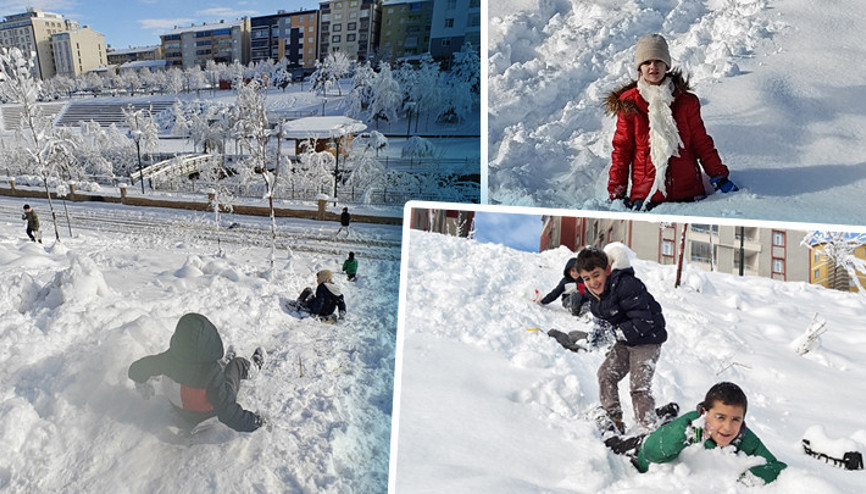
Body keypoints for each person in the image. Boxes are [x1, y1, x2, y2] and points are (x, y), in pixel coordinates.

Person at [605, 34, 738, 211]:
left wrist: (718, 175)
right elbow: (622, 150)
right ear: (639, 68)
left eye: (658, 61)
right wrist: (617, 191)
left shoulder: (686, 102)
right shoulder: (630, 104)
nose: (653, 67)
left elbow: (701, 142)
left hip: (689, 192)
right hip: (647, 196)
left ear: (667, 65)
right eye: (647, 62)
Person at [576, 244, 667, 433]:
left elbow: (644, 321)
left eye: (596, 275)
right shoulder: (595, 298)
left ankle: (647, 427)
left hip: (648, 339)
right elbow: (605, 322)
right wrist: (600, 339)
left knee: (638, 387)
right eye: (587, 278)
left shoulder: (626, 284)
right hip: (626, 340)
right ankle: (614, 418)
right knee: (605, 375)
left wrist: (618, 334)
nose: (593, 282)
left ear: (607, 270)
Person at [625, 382, 787, 485]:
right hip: (642, 446)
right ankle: (607, 427)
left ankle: (668, 412)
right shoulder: (690, 429)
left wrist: (747, 480)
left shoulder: (745, 438)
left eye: (736, 419)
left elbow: (777, 467)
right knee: (618, 443)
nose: (727, 427)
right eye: (720, 417)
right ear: (705, 413)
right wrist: (680, 435)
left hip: (665, 432)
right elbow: (650, 453)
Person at [128, 313, 267, 433]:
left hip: (180, 409)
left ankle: (224, 364)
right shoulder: (211, 373)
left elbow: (136, 369)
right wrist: (256, 421)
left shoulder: (168, 358)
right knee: (236, 365)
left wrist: (142, 385)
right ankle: (252, 368)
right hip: (206, 415)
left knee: (213, 366)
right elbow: (228, 413)